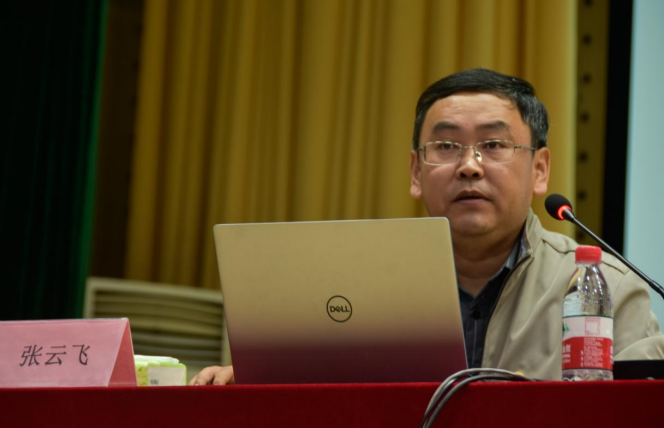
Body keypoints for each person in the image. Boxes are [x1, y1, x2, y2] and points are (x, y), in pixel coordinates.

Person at [190, 68, 663, 385]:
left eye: (494, 145)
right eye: (446, 147)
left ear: (539, 170)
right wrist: (253, 386)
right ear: (416, 173)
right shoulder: (342, 284)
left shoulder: (608, 289)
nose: (469, 166)